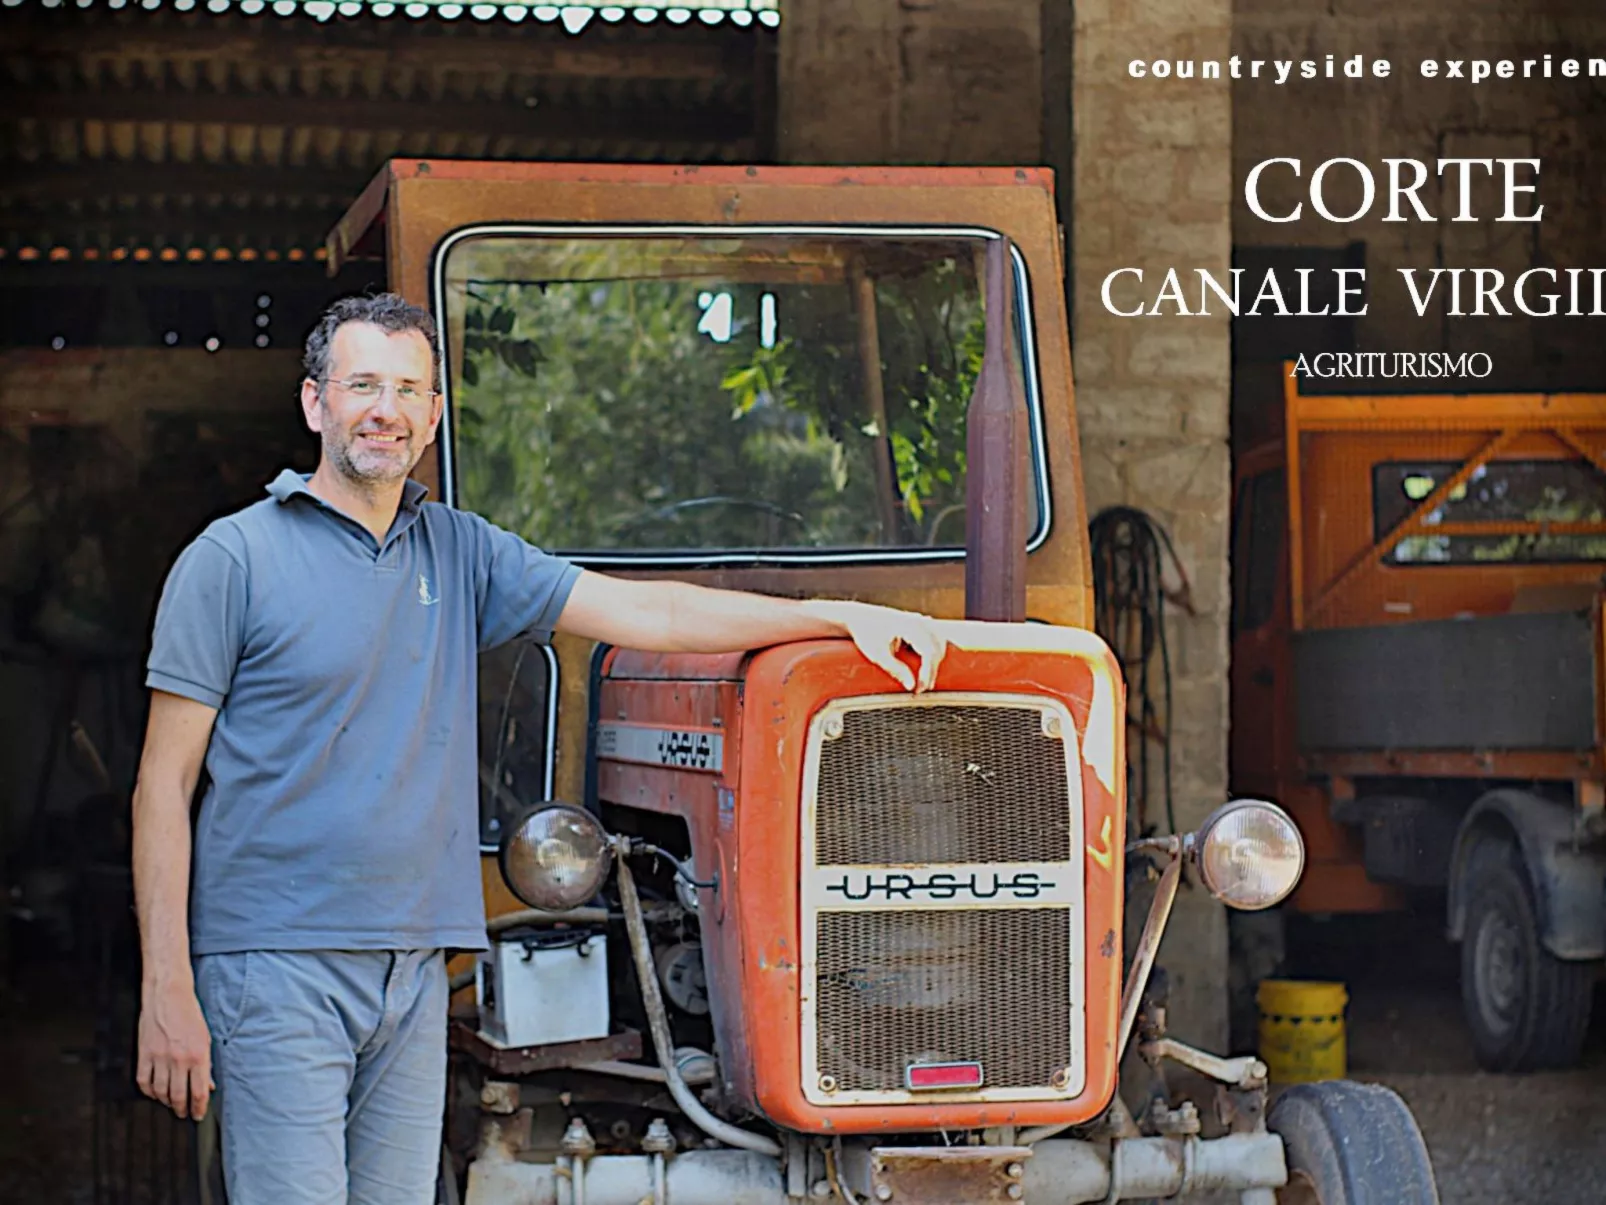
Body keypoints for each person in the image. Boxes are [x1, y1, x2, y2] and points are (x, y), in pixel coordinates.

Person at [130, 293, 948, 1205]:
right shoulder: (232, 560)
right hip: (275, 964)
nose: (385, 408)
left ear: (434, 416)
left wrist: (839, 616)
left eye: (408, 389)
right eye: (362, 384)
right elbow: (162, 787)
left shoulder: (459, 551)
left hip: (415, 965)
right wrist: (168, 982)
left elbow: (650, 612)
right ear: (315, 402)